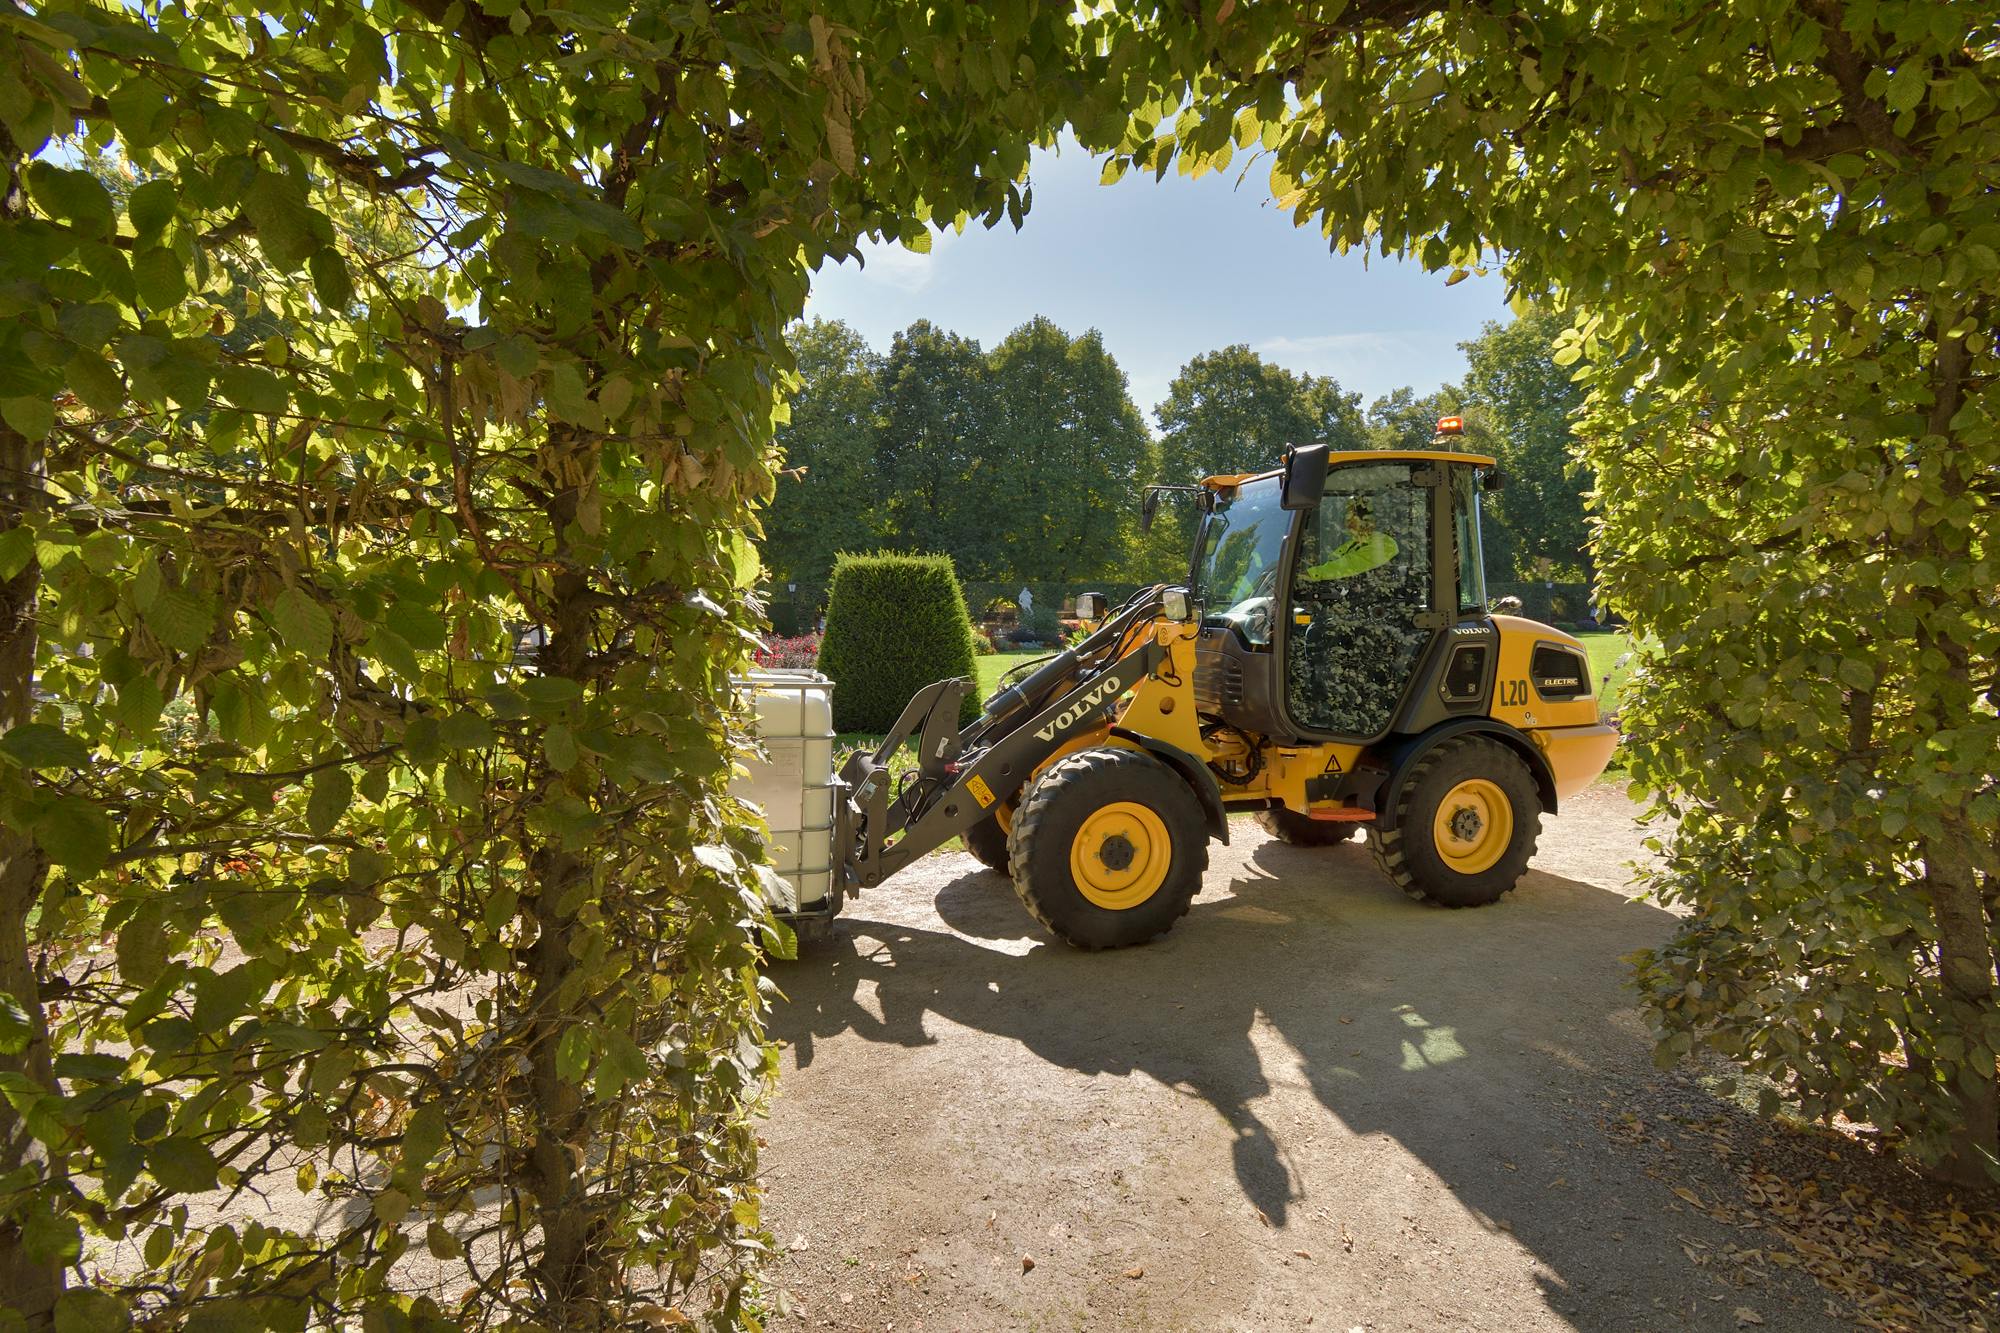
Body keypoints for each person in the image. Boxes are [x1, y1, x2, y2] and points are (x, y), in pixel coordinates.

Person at [1301, 496, 1398, 582]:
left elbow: (1349, 565)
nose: (1347, 523)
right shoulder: (1354, 542)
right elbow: (1334, 561)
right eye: (1346, 518)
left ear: (1367, 520)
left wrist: (1313, 573)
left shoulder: (1386, 544)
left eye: (1351, 518)